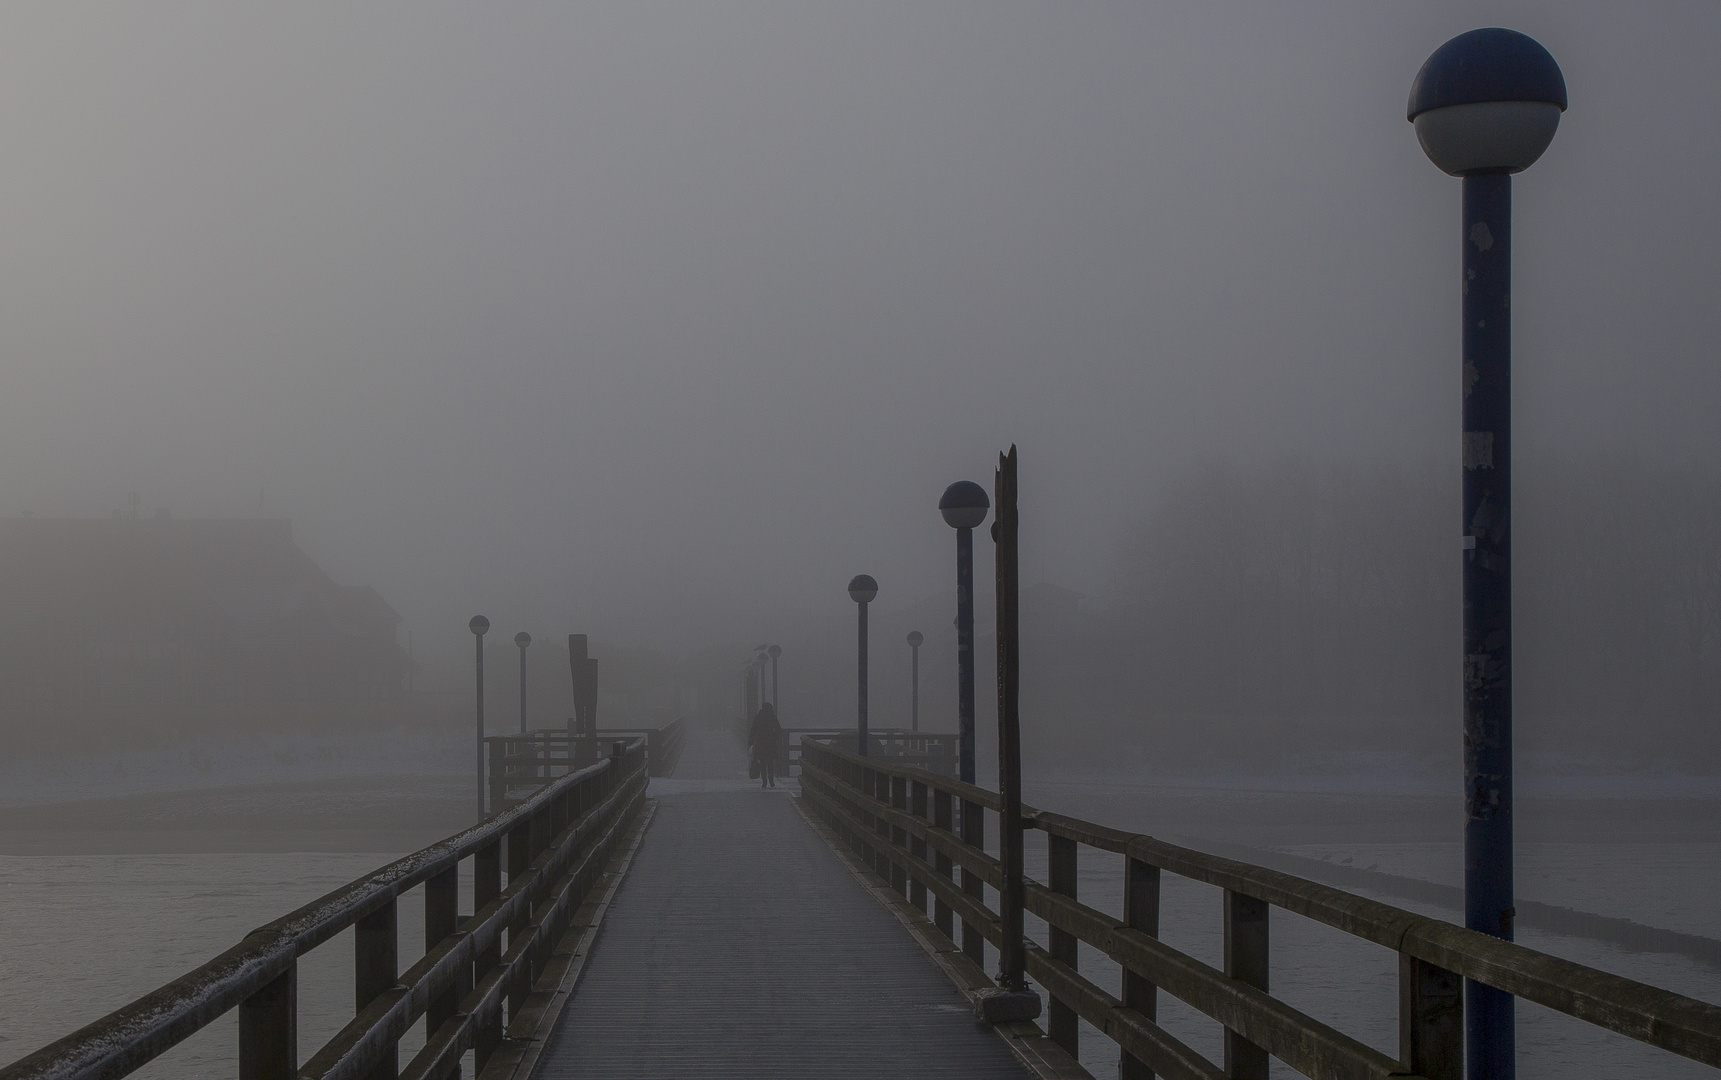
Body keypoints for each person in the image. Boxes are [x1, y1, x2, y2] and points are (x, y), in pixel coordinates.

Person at [748, 703, 782, 788]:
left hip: (761, 742)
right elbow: (779, 730)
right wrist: (774, 738)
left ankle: (764, 781)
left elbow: (753, 730)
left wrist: (751, 742)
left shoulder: (758, 717)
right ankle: (771, 780)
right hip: (770, 742)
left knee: (762, 762)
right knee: (770, 762)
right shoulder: (772, 717)